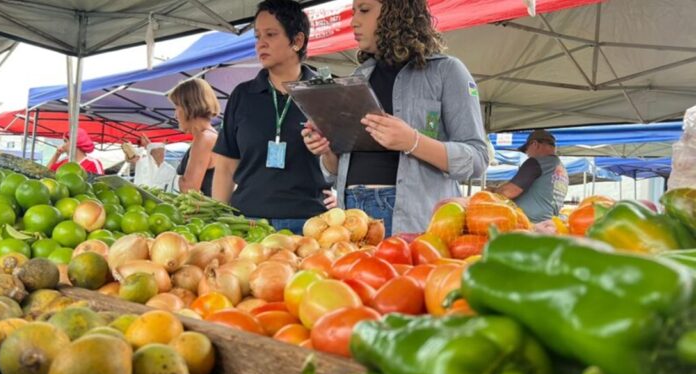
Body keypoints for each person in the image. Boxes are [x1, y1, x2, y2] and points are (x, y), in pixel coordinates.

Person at [303, 0, 489, 235]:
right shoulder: (358, 77)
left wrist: (412, 141)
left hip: (415, 217)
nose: (353, 21)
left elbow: (477, 158)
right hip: (351, 214)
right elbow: (338, 170)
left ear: (396, 12)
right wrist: (326, 149)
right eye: (352, 12)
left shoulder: (447, 71)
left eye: (364, 10)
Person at [211, 0, 328, 235]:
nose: (260, 44)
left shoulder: (325, 91)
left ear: (297, 41)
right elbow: (225, 167)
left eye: (271, 34)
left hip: (307, 226)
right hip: (247, 222)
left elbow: (340, 160)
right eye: (257, 36)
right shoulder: (243, 95)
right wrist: (220, 221)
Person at [492, 129, 569, 223]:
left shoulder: (536, 162)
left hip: (529, 225)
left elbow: (508, 192)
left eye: (526, 150)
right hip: (549, 225)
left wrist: (491, 192)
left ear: (535, 144)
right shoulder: (562, 170)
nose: (527, 155)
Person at [167, 78, 220, 196]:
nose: (175, 115)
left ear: (189, 107)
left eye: (177, 107)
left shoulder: (204, 138)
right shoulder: (209, 136)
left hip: (205, 214)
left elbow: (189, 188)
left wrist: (161, 178)